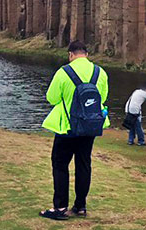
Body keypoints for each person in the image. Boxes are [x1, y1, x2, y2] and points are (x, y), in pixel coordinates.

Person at [39, 40, 109, 220]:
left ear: (70, 55)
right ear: (86, 54)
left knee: (60, 164)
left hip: (67, 127)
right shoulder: (100, 73)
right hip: (90, 127)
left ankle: (60, 207)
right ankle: (80, 206)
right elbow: (103, 97)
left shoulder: (63, 73)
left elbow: (52, 98)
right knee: (84, 164)